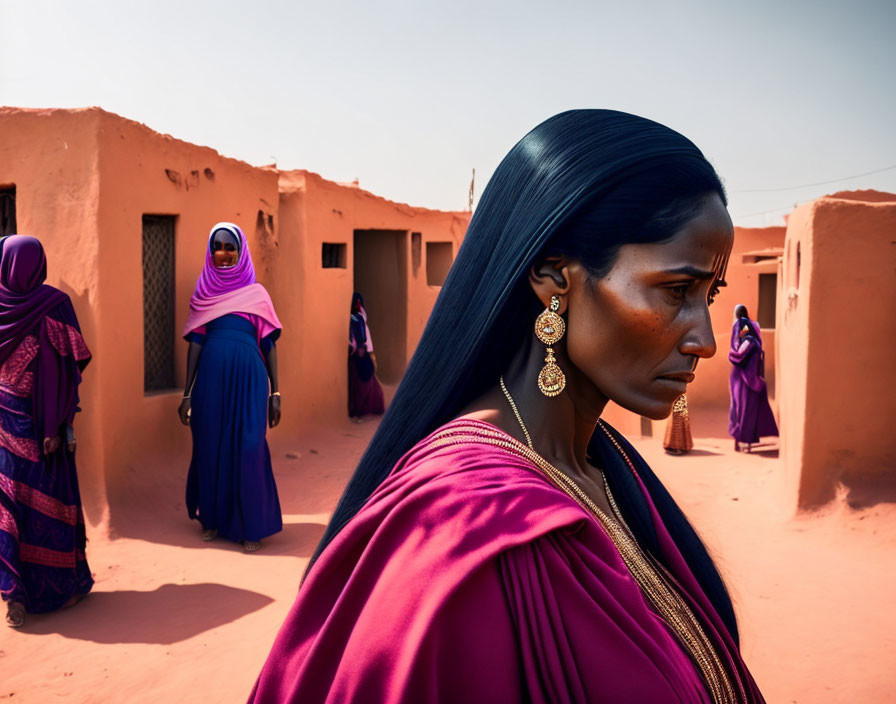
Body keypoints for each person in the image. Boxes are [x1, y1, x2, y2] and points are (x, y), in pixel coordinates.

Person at [250, 111, 765, 703]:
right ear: (554, 280)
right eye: (677, 291)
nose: (705, 338)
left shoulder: (605, 469)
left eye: (710, 296)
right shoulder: (462, 529)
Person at [0, 235, 92, 628]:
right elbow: (75, 365)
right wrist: (61, 421)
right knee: (48, 503)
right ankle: (56, 588)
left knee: (8, 507)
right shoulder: (55, 305)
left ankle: (13, 594)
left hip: (5, 425)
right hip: (44, 430)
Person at [178, 223, 283, 553]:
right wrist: (187, 393)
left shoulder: (257, 294)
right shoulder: (204, 291)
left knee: (250, 444)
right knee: (211, 445)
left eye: (230, 247)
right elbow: (196, 343)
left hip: (250, 379)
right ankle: (213, 519)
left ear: (241, 251)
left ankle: (252, 524)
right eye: (217, 247)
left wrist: (276, 393)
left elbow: (269, 345)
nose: (223, 254)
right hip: (211, 381)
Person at [728, 305, 778, 452]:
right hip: (752, 376)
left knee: (737, 408)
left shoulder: (739, 328)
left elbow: (736, 353)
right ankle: (748, 443)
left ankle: (738, 442)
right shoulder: (755, 330)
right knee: (748, 409)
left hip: (739, 376)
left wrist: (732, 354)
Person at [348, 292, 385, 421]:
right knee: (369, 384)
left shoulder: (356, 319)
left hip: (361, 354)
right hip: (367, 353)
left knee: (361, 385)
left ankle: (359, 411)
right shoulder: (361, 317)